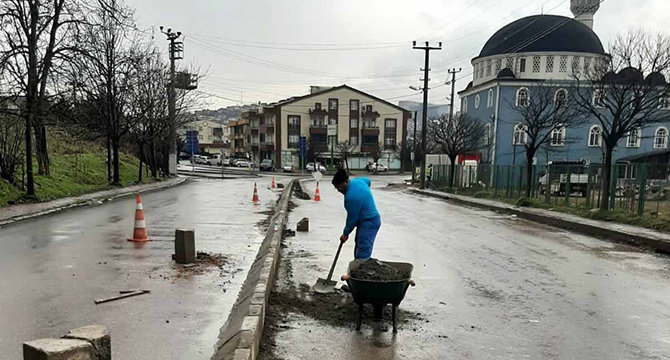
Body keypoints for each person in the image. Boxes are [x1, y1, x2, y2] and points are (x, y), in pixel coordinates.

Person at [331, 169, 381, 260]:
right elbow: (368, 181)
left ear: (346, 182)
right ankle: (359, 267)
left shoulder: (351, 198)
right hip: (368, 221)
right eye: (336, 187)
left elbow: (352, 219)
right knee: (359, 244)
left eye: (339, 186)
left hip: (369, 222)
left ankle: (362, 270)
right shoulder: (358, 181)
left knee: (362, 252)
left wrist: (345, 234)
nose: (338, 190)